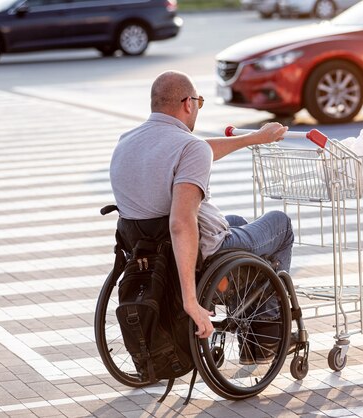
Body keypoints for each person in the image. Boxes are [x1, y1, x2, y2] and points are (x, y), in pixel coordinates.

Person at [109, 70, 294, 361]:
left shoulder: (128, 141)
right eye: (200, 102)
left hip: (148, 248)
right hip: (199, 250)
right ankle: (265, 338)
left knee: (237, 221)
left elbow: (199, 150)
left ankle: (249, 307)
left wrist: (254, 139)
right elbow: (181, 224)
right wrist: (190, 301)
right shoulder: (188, 146)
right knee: (280, 224)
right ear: (188, 104)